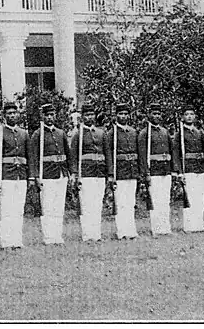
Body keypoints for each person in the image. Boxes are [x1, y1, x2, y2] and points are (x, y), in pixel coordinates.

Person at [29, 103, 71, 245]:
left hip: (61, 173)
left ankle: (57, 236)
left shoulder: (60, 133)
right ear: (42, 116)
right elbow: (33, 157)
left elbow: (68, 154)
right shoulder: (38, 134)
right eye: (47, 115)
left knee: (59, 206)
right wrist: (35, 176)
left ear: (55, 116)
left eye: (52, 115)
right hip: (46, 174)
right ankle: (48, 237)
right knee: (48, 206)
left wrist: (71, 172)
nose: (49, 118)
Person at [0, 102, 30, 249]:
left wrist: (31, 176)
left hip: (21, 175)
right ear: (4, 116)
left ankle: (17, 240)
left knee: (19, 209)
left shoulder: (24, 134)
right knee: (7, 209)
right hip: (6, 175)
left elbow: (30, 156)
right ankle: (6, 241)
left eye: (14, 113)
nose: (12, 115)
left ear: (18, 114)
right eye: (9, 113)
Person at [172, 104, 204, 233]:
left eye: (191, 114)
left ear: (195, 116)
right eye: (187, 114)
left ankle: (199, 224)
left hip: (199, 168)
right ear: (183, 117)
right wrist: (179, 171)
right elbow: (176, 154)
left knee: (200, 197)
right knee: (189, 197)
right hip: (187, 169)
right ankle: (189, 226)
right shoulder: (179, 134)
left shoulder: (199, 132)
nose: (189, 116)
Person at [71, 103, 106, 242]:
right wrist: (74, 174)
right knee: (86, 204)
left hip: (100, 172)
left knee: (97, 204)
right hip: (86, 172)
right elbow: (73, 156)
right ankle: (87, 234)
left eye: (92, 114)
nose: (90, 117)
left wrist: (109, 173)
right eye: (87, 115)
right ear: (82, 117)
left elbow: (107, 154)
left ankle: (96, 233)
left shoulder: (101, 133)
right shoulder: (78, 135)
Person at [105, 102, 140, 239]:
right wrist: (111, 173)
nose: (123, 116)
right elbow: (109, 155)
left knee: (130, 202)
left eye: (126, 114)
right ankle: (122, 231)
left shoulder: (133, 132)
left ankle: (131, 230)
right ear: (116, 116)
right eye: (121, 114)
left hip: (132, 170)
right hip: (119, 172)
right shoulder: (111, 133)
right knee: (120, 202)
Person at [137, 103, 173, 236]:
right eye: (154, 113)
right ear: (149, 115)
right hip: (153, 171)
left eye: (158, 113)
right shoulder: (144, 133)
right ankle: (156, 228)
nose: (156, 116)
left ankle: (165, 228)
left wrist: (173, 169)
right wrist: (146, 172)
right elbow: (142, 155)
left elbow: (171, 151)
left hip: (166, 170)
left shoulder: (164, 132)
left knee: (165, 200)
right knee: (155, 200)